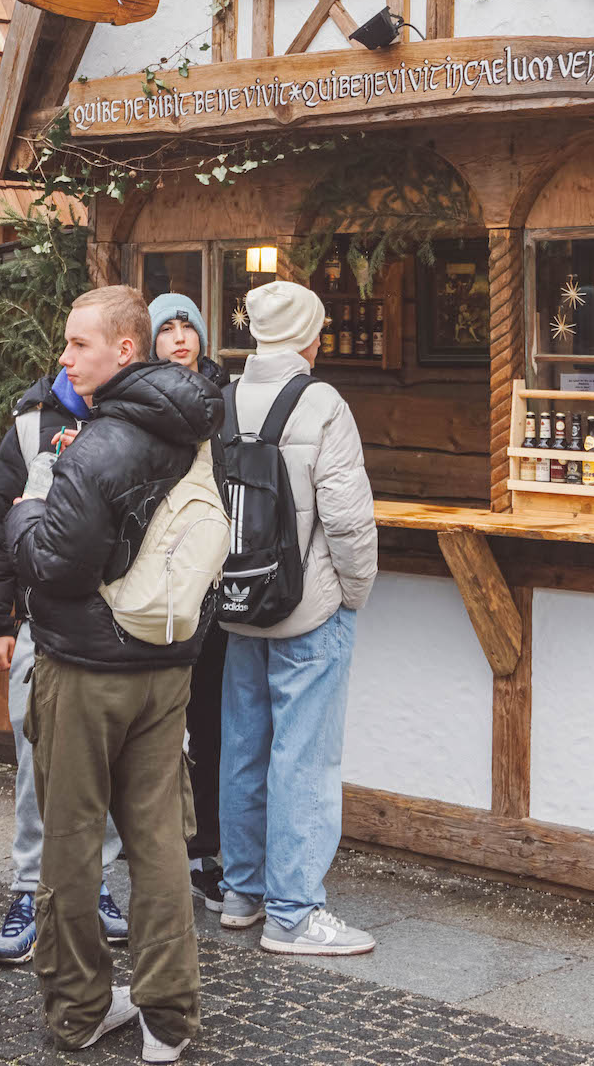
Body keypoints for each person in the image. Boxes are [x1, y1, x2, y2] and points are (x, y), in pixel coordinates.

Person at [7, 285, 222, 1063]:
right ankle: (169, 1019)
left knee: (69, 842)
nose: (64, 358)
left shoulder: (98, 445)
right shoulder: (196, 428)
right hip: (167, 666)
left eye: (78, 345)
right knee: (161, 843)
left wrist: (27, 507)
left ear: (124, 351)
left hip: (87, 668)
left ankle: (80, 1010)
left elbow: (54, 568)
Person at [217, 278, 378, 957]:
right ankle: (294, 913)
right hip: (307, 604)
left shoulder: (222, 398)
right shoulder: (322, 402)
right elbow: (345, 515)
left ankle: (243, 892)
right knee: (304, 757)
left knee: (243, 748)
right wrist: (354, 591)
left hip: (239, 600)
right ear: (311, 336)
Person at [0, 362, 126, 966]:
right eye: (66, 345)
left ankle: (96, 882)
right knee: (38, 757)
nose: (68, 358)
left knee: (108, 761)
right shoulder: (32, 427)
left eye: (80, 345)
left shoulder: (134, 421)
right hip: (41, 622)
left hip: (118, 626)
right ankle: (28, 889)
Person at [147, 293, 228, 914]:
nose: (180, 337)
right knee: (163, 725)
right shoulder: (144, 401)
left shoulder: (224, 399)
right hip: (165, 585)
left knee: (211, 719)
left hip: (219, 580)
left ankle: (207, 847)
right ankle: (167, 845)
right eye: (167, 329)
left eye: (188, 327)